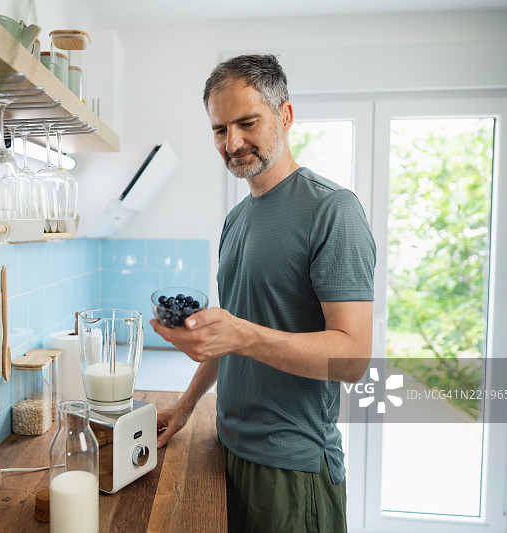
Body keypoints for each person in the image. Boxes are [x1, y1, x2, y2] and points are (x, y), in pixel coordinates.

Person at [150, 54, 376, 533]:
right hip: (226, 449)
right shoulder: (237, 219)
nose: (232, 143)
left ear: (286, 116)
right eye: (219, 130)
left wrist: (242, 335)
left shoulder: (333, 211)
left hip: (291, 471)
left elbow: (353, 359)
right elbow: (231, 334)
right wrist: (187, 406)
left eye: (247, 123)